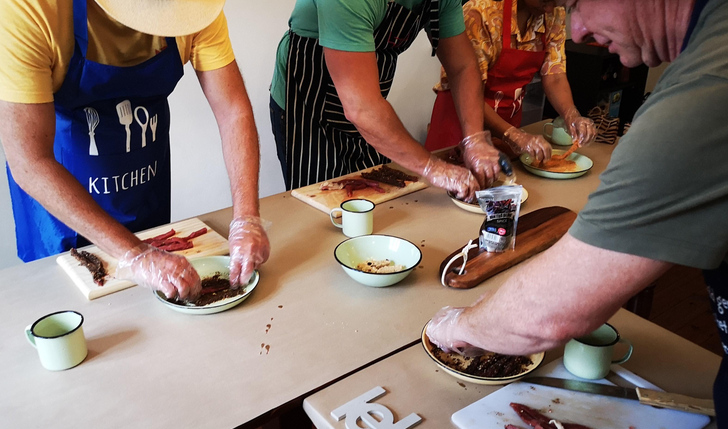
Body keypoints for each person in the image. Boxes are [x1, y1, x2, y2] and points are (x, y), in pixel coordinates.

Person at [426, 0, 728, 429]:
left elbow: (552, 311)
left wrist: (458, 326)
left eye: (580, 3)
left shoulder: (719, 85)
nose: (579, 28)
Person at [0, 0, 270, 299]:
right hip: (60, 205)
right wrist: (135, 254)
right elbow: (29, 160)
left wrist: (246, 217)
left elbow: (232, 110)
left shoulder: (196, 7)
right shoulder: (30, 9)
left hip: (144, 186)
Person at [269, 0, 505, 201]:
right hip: (308, 101)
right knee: (321, 199)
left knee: (380, 190)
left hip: (369, 103)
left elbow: (463, 67)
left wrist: (474, 139)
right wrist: (432, 167)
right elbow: (361, 108)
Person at [424, 0, 596, 163]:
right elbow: (466, 88)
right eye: (545, 0)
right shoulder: (480, 13)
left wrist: (571, 114)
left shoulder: (553, 14)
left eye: (556, 2)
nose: (550, 8)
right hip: (459, 128)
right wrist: (512, 134)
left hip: (507, 128)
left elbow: (555, 74)